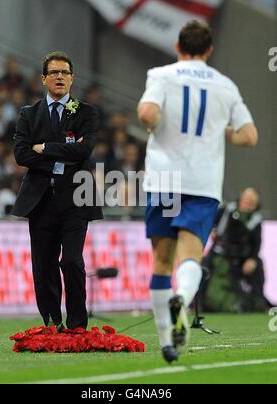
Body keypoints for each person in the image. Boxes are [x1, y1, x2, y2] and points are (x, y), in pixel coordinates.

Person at [137, 21, 258, 363]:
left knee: (161, 262)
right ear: (209, 50)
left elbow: (148, 113)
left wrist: (152, 123)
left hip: (163, 180)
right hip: (202, 184)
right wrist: (221, 132)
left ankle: (166, 342)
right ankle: (183, 298)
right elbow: (249, 136)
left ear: (178, 46)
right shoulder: (226, 86)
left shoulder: (161, 75)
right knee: (190, 257)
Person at [12, 52, 103, 331]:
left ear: (72, 78)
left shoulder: (86, 112)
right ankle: (52, 322)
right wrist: (63, 152)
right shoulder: (29, 114)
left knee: (72, 261)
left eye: (65, 72)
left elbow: (83, 150)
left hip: (76, 198)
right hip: (40, 200)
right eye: (54, 72)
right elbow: (21, 155)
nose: (60, 77)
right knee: (44, 265)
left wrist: (45, 148)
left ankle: (77, 325)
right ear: (44, 78)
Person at [202, 188, 268, 313]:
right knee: (202, 267)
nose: (248, 203)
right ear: (240, 199)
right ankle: (197, 304)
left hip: (241, 260)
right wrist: (212, 230)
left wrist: (252, 259)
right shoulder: (226, 211)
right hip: (219, 255)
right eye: (246, 199)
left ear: (256, 204)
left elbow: (256, 244)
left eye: (252, 201)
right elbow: (210, 221)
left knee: (257, 265)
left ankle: (259, 302)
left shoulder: (255, 220)